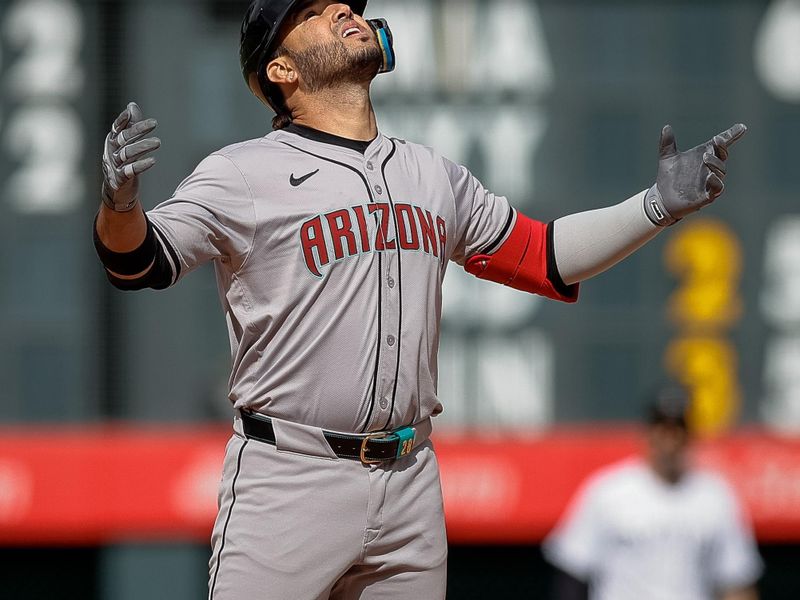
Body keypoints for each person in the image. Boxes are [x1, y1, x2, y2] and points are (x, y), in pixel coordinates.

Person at [91, 1, 747, 598]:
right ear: (281, 68)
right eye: (316, 11)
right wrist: (120, 206)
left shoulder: (432, 174)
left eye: (347, 4)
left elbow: (545, 257)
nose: (345, 11)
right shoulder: (241, 174)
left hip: (409, 480)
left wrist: (654, 207)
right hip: (289, 473)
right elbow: (139, 259)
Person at [543, 386, 763, 600]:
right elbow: (573, 572)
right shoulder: (609, 490)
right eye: (661, 427)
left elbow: (737, 581)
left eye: (677, 428)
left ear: (690, 435)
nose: (669, 438)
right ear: (647, 432)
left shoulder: (715, 497)